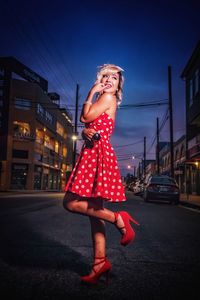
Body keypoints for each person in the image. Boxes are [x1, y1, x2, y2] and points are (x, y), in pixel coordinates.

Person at [63, 64, 139, 284]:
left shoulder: (106, 98)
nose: (108, 80)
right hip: (96, 152)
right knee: (94, 213)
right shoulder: (105, 100)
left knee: (69, 203)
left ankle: (118, 218)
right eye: (105, 76)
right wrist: (85, 132)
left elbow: (84, 116)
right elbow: (90, 125)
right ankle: (100, 263)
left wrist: (92, 91)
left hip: (96, 155)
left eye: (114, 78)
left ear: (117, 88)